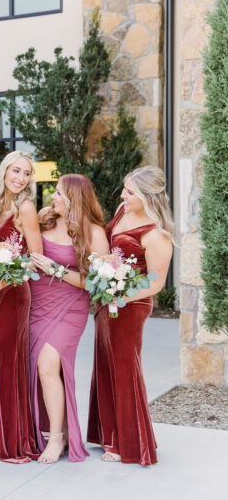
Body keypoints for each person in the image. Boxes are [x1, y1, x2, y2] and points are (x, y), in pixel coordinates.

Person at [87, 166, 173, 466]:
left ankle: (130, 445)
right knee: (105, 365)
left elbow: (155, 281)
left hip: (131, 305)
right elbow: (116, 251)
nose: (122, 195)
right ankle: (109, 434)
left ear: (148, 196)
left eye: (130, 191)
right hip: (107, 299)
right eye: (125, 188)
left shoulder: (156, 234)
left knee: (124, 368)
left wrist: (121, 297)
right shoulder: (123, 210)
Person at [28, 174, 108, 463]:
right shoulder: (45, 219)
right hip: (37, 304)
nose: (54, 197)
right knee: (40, 368)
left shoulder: (94, 233)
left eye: (59, 193)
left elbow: (97, 282)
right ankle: (50, 429)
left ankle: (58, 439)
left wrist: (56, 270)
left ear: (75, 197)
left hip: (70, 307)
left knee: (48, 363)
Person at [0, 150, 41, 463]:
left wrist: (6, 281)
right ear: (4, 171)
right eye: (15, 171)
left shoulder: (26, 208)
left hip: (15, 293)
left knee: (2, 364)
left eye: (27, 173)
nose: (20, 178)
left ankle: (15, 440)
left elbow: (36, 258)